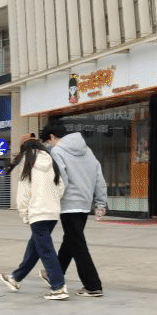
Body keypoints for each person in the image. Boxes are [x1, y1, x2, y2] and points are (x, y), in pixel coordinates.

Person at [42, 121, 107, 296]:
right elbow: (99, 177)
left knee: (78, 244)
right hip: (84, 204)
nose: (48, 146)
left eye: (47, 142)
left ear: (52, 137)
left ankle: (93, 285)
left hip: (69, 204)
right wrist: (100, 202)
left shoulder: (57, 151)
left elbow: (61, 178)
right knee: (71, 240)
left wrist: (54, 199)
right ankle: (54, 274)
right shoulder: (88, 150)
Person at [0, 139, 68, 300]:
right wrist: (52, 201)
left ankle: (59, 287)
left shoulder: (27, 160)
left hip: (38, 212)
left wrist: (24, 214)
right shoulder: (50, 159)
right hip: (52, 212)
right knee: (36, 246)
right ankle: (16, 278)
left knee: (45, 250)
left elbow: (24, 191)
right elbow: (60, 186)